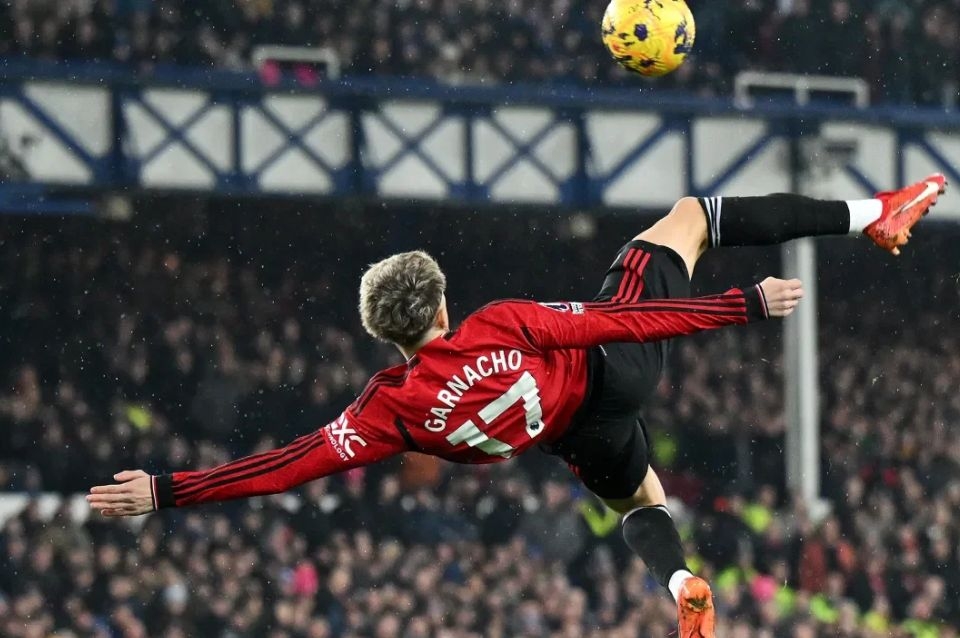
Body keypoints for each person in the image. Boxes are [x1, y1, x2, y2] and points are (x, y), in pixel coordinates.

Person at [88, 174, 947, 637]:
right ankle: (872, 214)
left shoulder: (389, 409)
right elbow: (618, 320)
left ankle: (681, 581)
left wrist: (165, 491)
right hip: (612, 371)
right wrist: (739, 306)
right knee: (691, 215)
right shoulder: (498, 325)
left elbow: (287, 466)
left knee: (638, 503)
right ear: (440, 306)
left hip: (575, 435)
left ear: (387, 334)